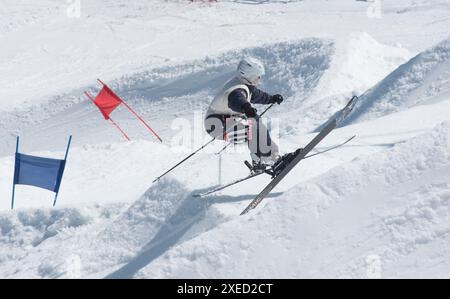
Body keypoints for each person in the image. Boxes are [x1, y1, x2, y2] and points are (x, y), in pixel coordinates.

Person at [204, 57, 285, 172]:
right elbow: (237, 100)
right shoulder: (237, 90)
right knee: (254, 128)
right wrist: (246, 108)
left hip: (224, 121)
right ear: (249, 75)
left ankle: (270, 158)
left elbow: (258, 96)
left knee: (256, 125)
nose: (259, 79)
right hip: (216, 125)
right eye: (258, 76)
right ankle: (266, 160)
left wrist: (272, 99)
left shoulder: (245, 86)